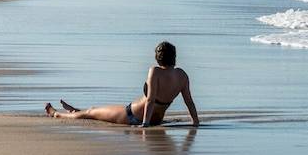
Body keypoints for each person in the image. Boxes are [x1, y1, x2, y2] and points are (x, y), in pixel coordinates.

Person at [45, 41, 199, 127]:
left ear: (158, 58)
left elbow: (151, 100)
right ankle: (76, 111)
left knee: (91, 111)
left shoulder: (155, 71)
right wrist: (195, 122)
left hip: (133, 116)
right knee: (94, 112)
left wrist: (144, 124)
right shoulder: (182, 75)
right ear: (174, 57)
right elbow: (189, 102)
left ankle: (56, 114)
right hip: (156, 120)